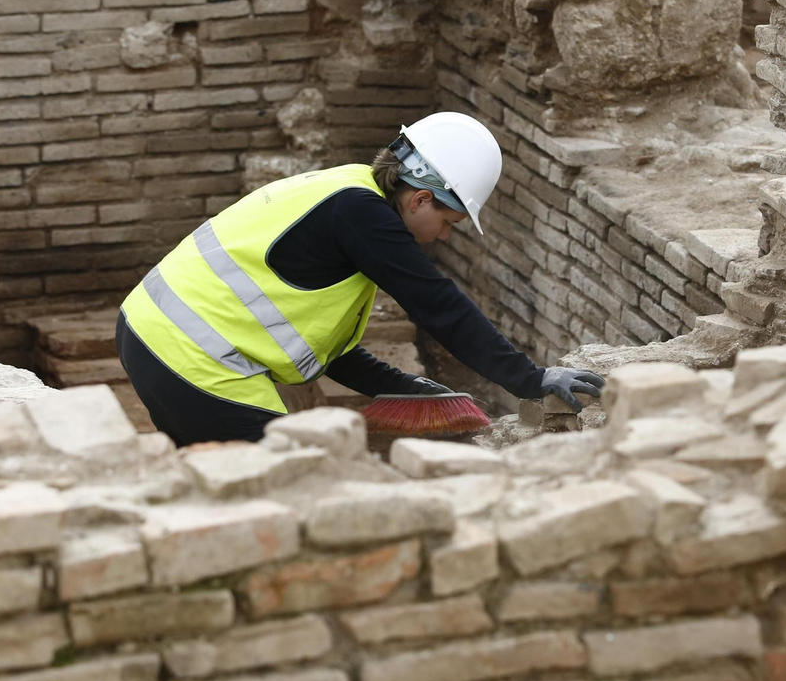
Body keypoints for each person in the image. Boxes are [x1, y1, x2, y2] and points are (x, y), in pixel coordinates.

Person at [116, 111, 606, 446]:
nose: (442, 239)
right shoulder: (362, 215)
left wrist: (405, 387)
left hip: (153, 336)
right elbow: (440, 305)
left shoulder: (347, 195)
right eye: (449, 224)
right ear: (420, 200)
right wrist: (530, 378)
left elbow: (327, 350)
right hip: (193, 361)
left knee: (227, 488)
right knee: (289, 492)